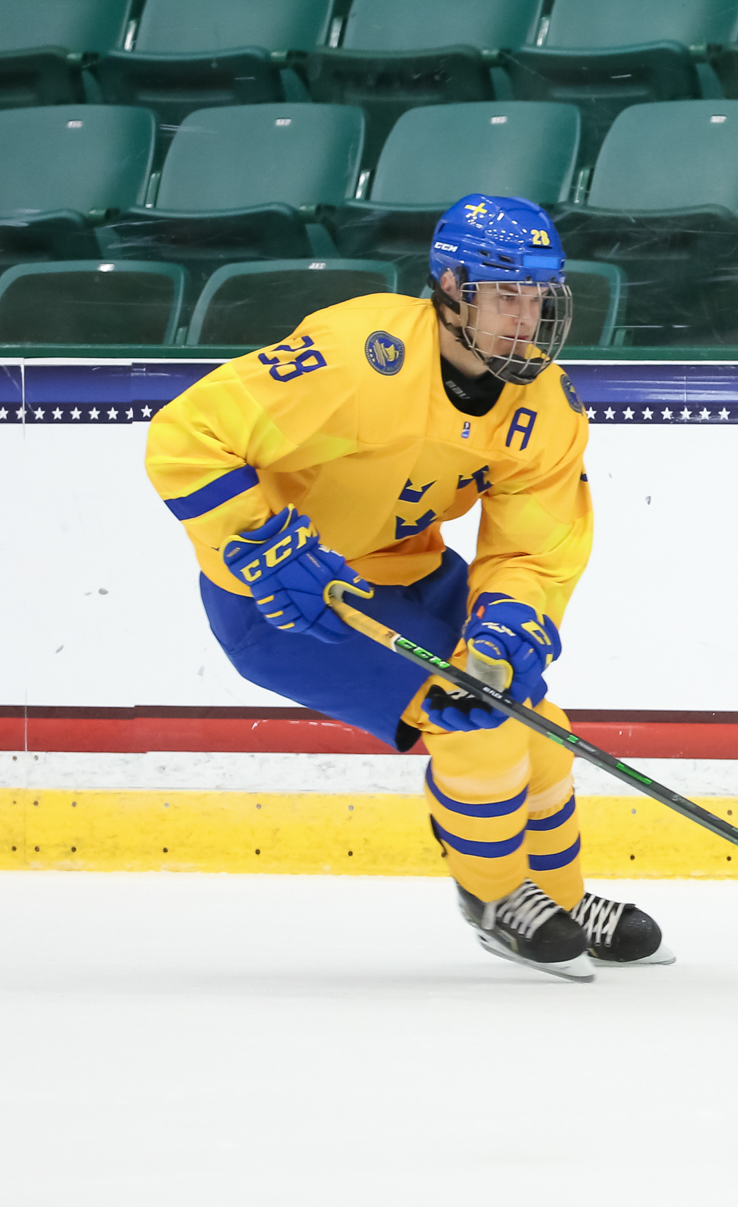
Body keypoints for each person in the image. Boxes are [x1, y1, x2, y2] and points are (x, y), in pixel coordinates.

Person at [144, 194, 673, 982]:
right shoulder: (360, 354)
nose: (526, 318)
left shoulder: (546, 406)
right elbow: (187, 437)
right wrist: (263, 543)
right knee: (477, 730)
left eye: (539, 296)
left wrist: (507, 629)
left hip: (413, 574)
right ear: (452, 288)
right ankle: (497, 901)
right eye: (505, 294)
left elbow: (536, 544)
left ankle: (560, 898)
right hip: (288, 603)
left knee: (538, 722)